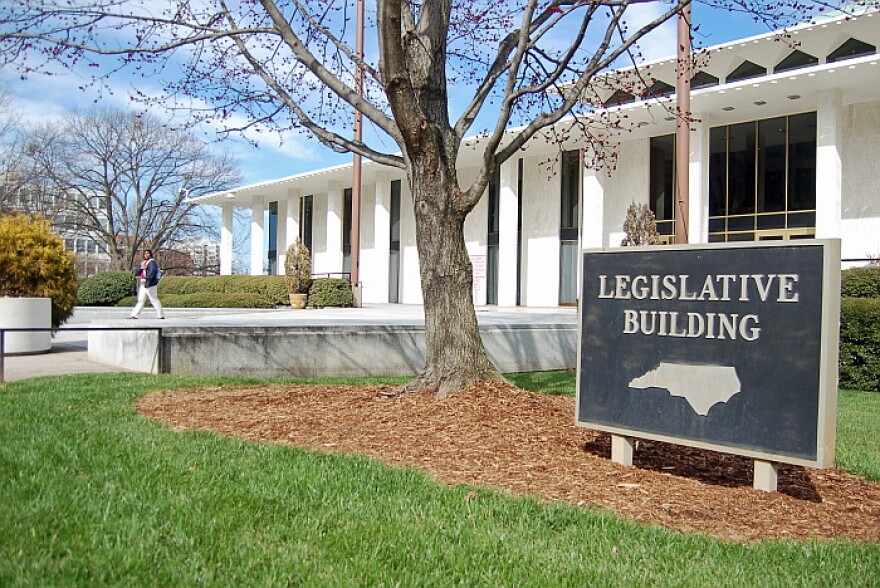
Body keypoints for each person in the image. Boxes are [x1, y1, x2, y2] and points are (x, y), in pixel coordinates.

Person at [128, 249, 165, 319]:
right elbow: (137, 271)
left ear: (150, 254)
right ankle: (134, 315)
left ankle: (161, 315)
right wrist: (141, 268)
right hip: (143, 284)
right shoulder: (144, 262)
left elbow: (152, 272)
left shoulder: (152, 262)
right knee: (140, 300)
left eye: (147, 253)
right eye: (145, 254)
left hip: (150, 284)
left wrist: (146, 278)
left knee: (154, 299)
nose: (146, 255)